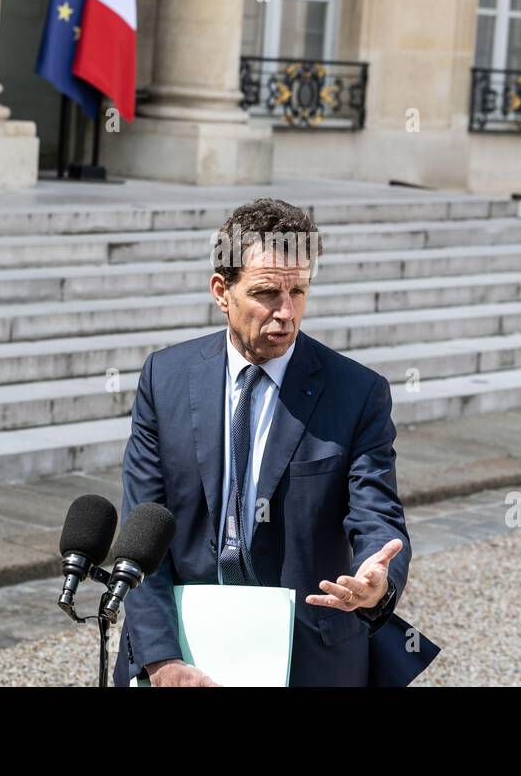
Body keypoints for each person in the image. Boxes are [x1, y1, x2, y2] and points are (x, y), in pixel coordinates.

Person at [112, 197, 422, 686]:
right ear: (222, 290)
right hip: (182, 650)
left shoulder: (358, 393)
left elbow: (375, 513)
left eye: (298, 291)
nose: (285, 313)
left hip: (308, 656)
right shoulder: (164, 378)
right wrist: (161, 659)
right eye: (265, 293)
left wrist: (374, 579)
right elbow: (142, 531)